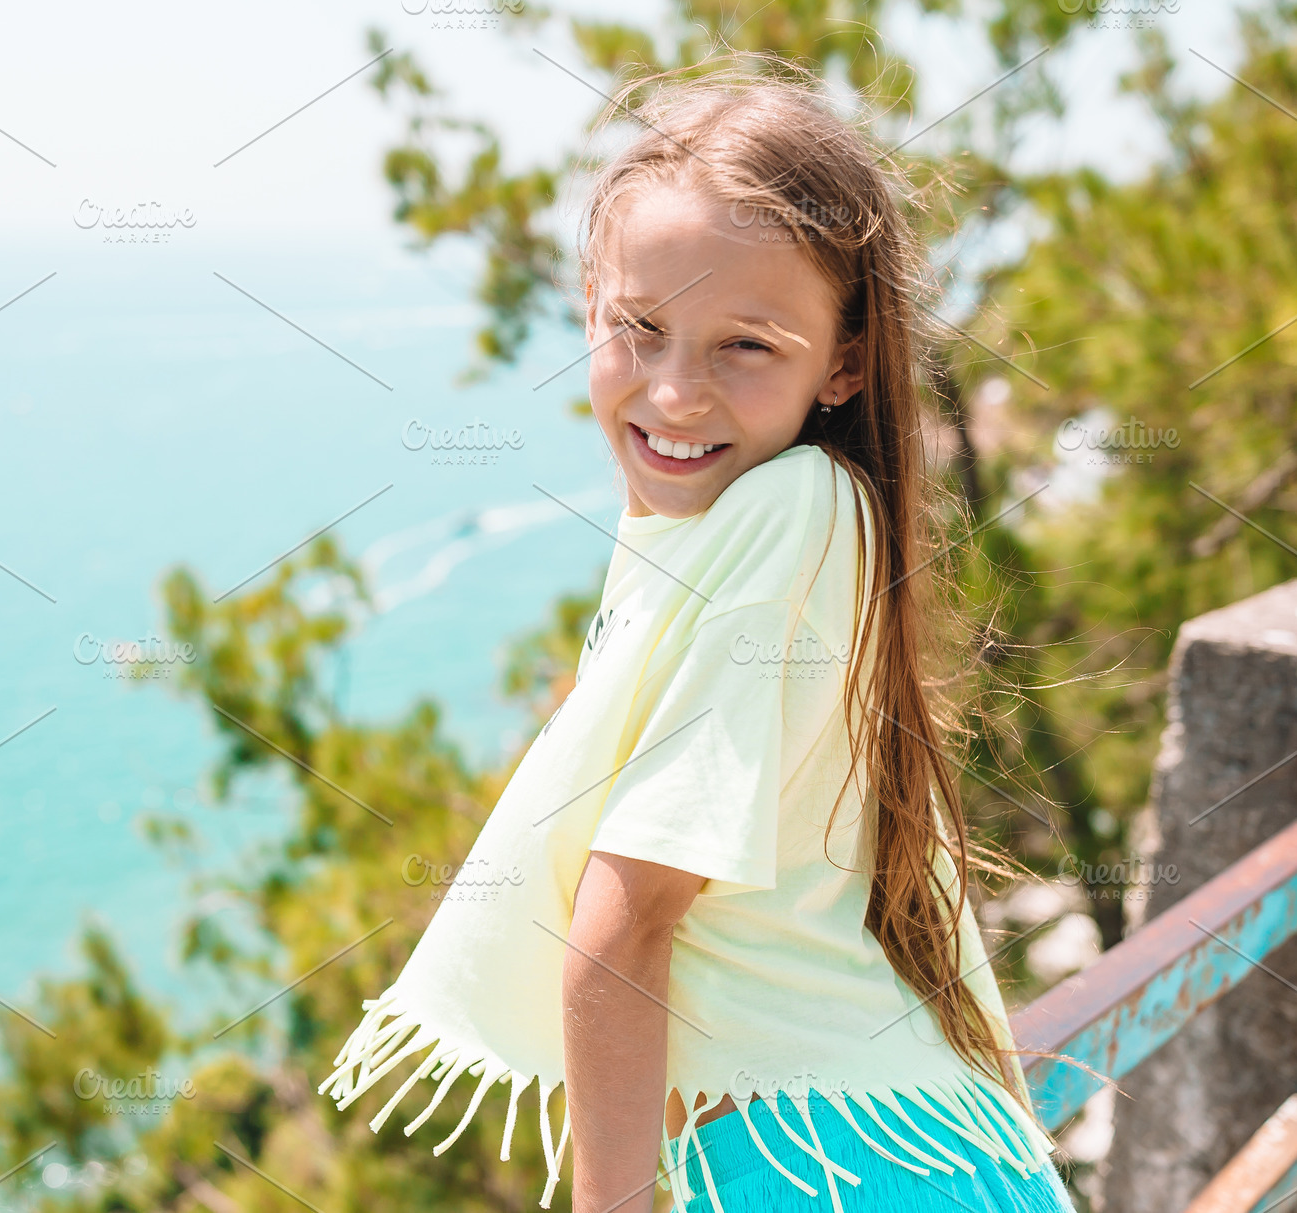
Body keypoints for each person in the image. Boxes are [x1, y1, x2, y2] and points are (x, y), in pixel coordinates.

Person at [322, 63, 1078, 1213]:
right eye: (640, 328)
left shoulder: (790, 515)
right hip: (869, 1146)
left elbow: (624, 927)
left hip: (824, 1167)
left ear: (842, 363)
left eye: (744, 346)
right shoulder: (716, 530)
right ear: (589, 306)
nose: (674, 393)